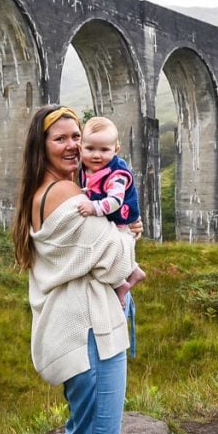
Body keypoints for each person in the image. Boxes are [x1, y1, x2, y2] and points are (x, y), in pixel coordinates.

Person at [10, 105, 141, 434]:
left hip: (75, 331)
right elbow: (118, 263)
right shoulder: (67, 192)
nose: (72, 146)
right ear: (42, 145)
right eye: (60, 138)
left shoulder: (41, 191)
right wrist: (129, 233)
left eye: (76, 137)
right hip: (91, 334)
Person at [76, 116, 147, 307]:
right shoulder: (85, 168)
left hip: (121, 216)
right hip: (113, 218)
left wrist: (93, 207)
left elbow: (115, 201)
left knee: (116, 252)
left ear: (116, 150)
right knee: (115, 250)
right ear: (80, 147)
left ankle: (122, 284)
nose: (96, 155)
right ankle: (134, 272)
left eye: (104, 150)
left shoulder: (117, 174)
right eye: (90, 149)